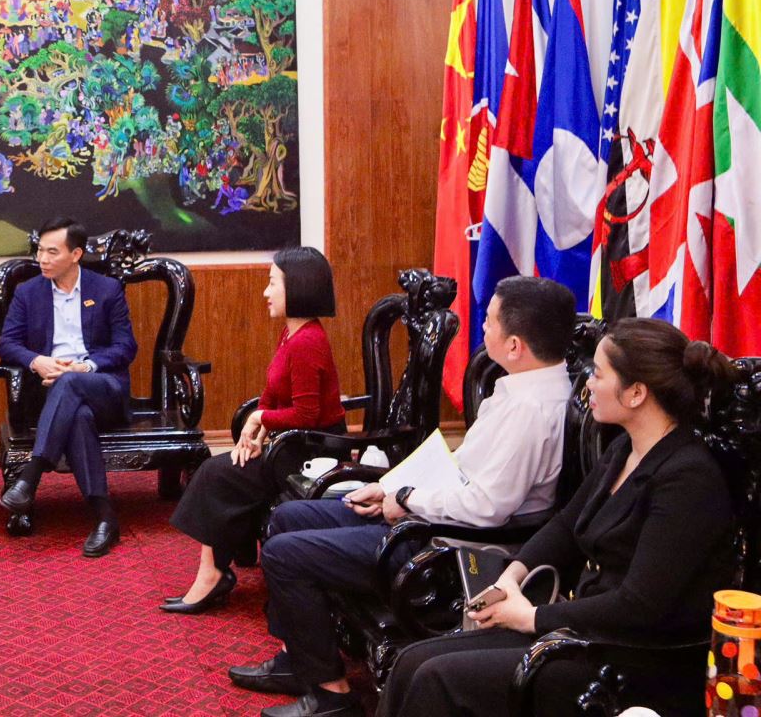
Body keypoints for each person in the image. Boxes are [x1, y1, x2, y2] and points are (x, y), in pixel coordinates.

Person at [231, 275, 579, 717]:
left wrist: (407, 498)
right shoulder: (523, 388)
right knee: (289, 517)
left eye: (489, 321)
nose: (482, 327)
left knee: (284, 554)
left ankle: (330, 694)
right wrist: (389, 489)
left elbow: (485, 508)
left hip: (448, 546)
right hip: (429, 516)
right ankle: (296, 660)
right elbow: (460, 465)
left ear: (515, 345)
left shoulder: (532, 411)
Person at [380, 318, 738, 717]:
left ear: (636, 393)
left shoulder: (688, 478)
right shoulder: (625, 449)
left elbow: (640, 605)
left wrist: (532, 617)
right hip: (583, 632)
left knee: (436, 677)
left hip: (634, 660)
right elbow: (567, 525)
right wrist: (511, 576)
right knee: (410, 661)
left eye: (598, 374)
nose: (587, 386)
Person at [163, 246, 345, 613]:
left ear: (298, 286)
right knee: (224, 467)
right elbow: (274, 392)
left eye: (273, 283)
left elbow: (307, 414)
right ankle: (216, 569)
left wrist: (261, 419)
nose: (266, 292)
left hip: (314, 450)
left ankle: (212, 575)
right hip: (294, 442)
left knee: (217, 473)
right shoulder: (291, 333)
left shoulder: (308, 342)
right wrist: (257, 429)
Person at [0, 217, 138, 558]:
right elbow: (7, 344)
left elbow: (126, 347)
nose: (42, 259)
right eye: (40, 251)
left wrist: (84, 367)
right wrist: (37, 361)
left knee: (73, 381)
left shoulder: (106, 289)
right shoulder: (28, 292)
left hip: (104, 387)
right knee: (79, 417)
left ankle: (31, 475)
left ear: (76, 254)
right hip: (53, 394)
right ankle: (105, 518)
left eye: (52, 252)